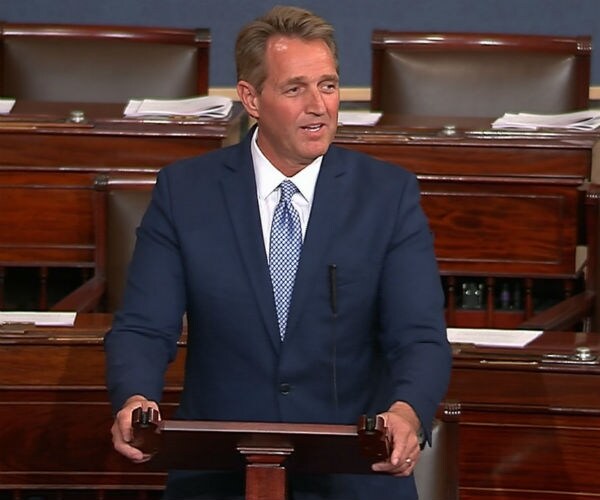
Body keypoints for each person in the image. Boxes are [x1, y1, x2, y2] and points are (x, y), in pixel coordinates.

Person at [105, 5, 452, 499]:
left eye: (328, 86)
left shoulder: (386, 195)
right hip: (220, 472)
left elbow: (419, 336)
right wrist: (135, 397)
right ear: (251, 98)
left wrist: (406, 412)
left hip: (353, 471)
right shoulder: (186, 192)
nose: (318, 106)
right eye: (295, 89)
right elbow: (144, 326)